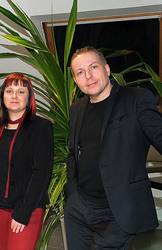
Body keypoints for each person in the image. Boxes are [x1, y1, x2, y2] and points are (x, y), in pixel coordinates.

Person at [65, 46, 162, 249]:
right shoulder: (77, 109)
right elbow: (73, 154)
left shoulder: (136, 99)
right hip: (79, 210)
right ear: (75, 80)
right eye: (80, 72)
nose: (88, 76)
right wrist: (72, 194)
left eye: (93, 67)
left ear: (107, 69)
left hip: (119, 211)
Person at [0, 73, 53, 250]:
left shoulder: (41, 127)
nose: (14, 96)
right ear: (2, 96)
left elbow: (41, 173)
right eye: (9, 91)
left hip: (27, 208)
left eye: (21, 91)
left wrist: (23, 212)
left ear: (29, 96)